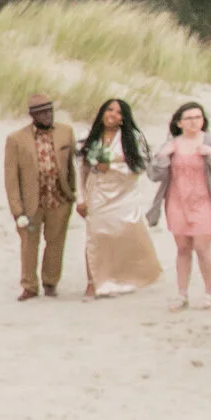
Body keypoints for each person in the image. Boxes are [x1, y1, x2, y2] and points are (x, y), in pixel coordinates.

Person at [148, 100, 211, 310]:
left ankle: (209, 293)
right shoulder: (171, 144)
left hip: (206, 201)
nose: (193, 122)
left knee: (202, 247)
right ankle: (182, 294)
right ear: (179, 122)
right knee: (182, 248)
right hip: (177, 202)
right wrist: (162, 157)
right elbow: (154, 175)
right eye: (188, 118)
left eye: (198, 117)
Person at [75, 97, 163, 299]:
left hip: (124, 194)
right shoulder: (88, 136)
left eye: (118, 112)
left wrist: (112, 166)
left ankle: (120, 278)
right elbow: (81, 169)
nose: (112, 115)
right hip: (97, 194)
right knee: (95, 237)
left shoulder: (132, 137)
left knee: (125, 235)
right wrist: (81, 198)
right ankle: (92, 282)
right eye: (109, 110)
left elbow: (139, 167)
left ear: (123, 118)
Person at [3, 93, 77, 300]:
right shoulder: (17, 139)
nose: (47, 116)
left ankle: (51, 282)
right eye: (42, 113)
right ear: (33, 115)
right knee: (29, 244)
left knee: (56, 242)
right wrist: (17, 210)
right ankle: (29, 285)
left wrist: (72, 193)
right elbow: (11, 179)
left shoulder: (65, 132)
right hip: (31, 203)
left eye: (49, 111)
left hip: (59, 199)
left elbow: (71, 165)